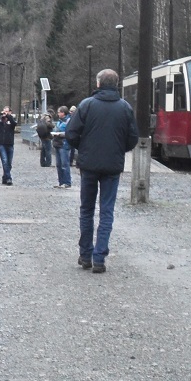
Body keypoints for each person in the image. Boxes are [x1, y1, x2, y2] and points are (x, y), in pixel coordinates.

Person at [66, 70, 139, 273]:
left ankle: (85, 255)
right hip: (112, 166)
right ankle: (99, 258)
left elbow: (71, 133)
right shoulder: (124, 107)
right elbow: (133, 138)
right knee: (107, 211)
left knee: (86, 210)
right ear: (116, 84)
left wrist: (84, 147)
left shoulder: (87, 105)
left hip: (89, 165)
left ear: (98, 83)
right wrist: (117, 149)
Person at [53, 105, 74, 189]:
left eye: (59, 112)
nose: (58, 114)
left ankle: (67, 182)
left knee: (64, 164)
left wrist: (61, 134)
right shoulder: (59, 121)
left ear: (63, 113)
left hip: (64, 144)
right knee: (58, 164)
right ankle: (61, 182)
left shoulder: (68, 121)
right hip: (57, 143)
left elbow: (70, 132)